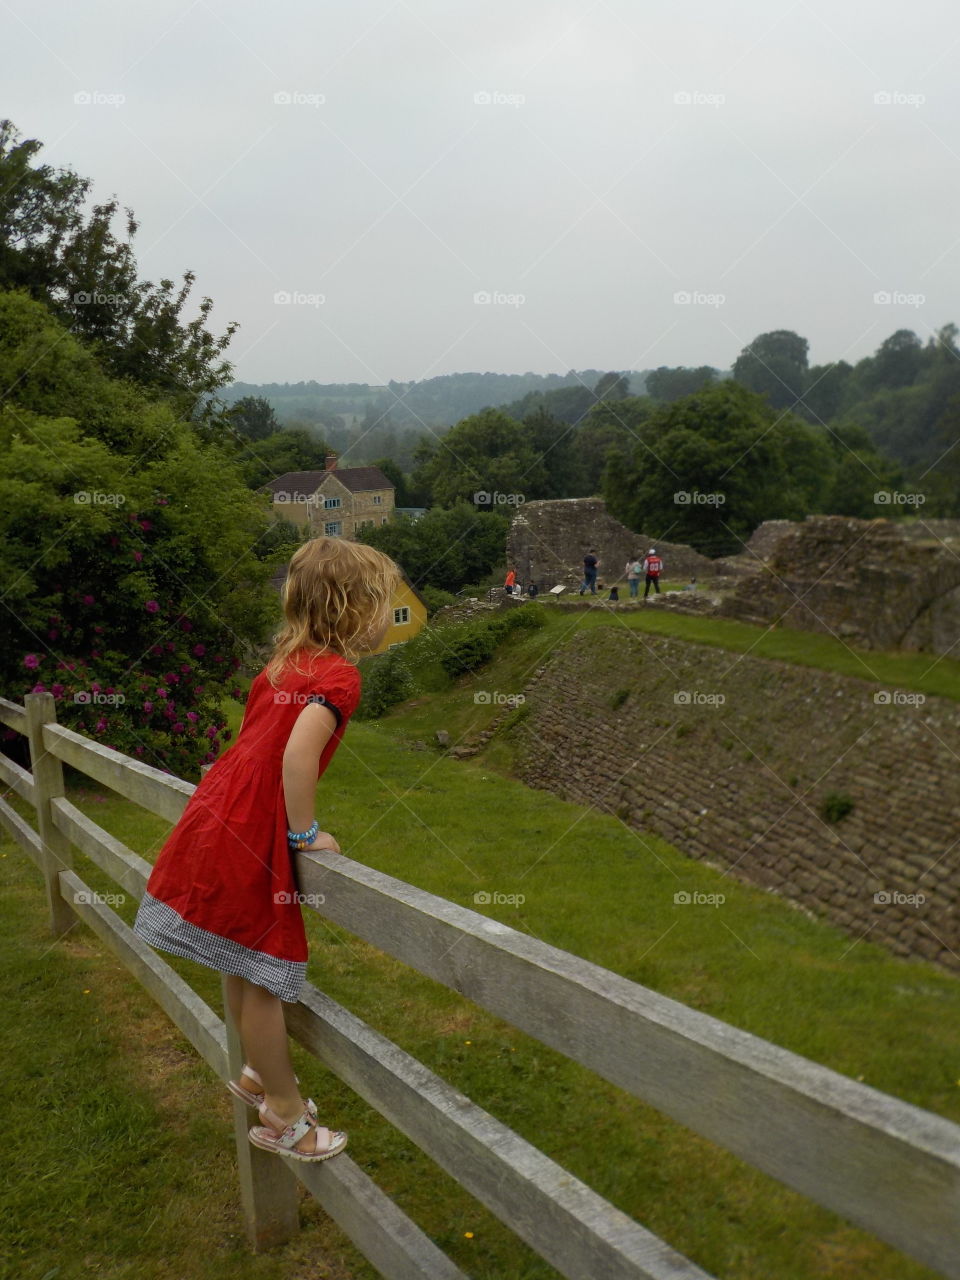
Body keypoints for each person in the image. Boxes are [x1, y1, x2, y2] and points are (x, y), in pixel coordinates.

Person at [134, 537, 400, 1164]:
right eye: (379, 605)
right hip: (252, 827)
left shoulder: (286, 664)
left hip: (220, 810)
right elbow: (296, 756)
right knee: (263, 975)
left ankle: (258, 1069)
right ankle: (285, 1114)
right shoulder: (339, 676)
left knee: (239, 959)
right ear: (350, 608)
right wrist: (306, 836)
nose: (383, 618)